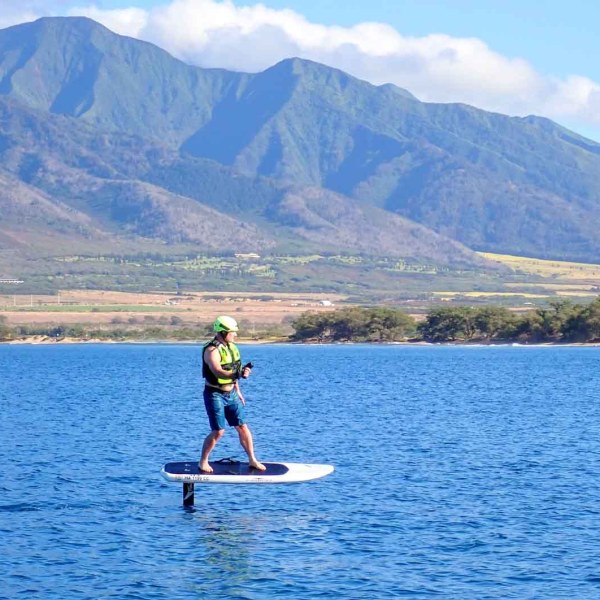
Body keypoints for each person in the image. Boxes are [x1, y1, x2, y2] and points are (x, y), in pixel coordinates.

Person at [199, 315, 266, 473]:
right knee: (219, 431)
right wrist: (237, 374)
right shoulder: (211, 350)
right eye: (232, 332)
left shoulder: (232, 347)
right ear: (222, 332)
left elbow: (234, 368)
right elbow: (218, 371)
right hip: (214, 394)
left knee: (242, 426)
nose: (235, 334)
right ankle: (203, 461)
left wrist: (239, 387)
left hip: (231, 394)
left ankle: (252, 460)